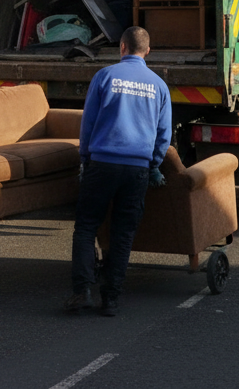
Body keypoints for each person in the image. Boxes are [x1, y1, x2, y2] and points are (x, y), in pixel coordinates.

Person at [66, 26, 172, 317]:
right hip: (137, 168)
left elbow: (88, 123)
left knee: (87, 227)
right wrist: (154, 164)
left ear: (122, 47)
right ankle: (110, 299)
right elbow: (164, 134)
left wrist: (85, 158)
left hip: (102, 164)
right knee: (123, 233)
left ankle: (82, 292)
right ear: (147, 51)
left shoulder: (105, 76)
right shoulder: (159, 86)